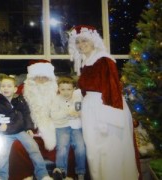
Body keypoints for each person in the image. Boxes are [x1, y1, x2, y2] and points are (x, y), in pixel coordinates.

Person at [68, 25, 139, 180]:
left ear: (93, 41)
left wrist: (107, 120)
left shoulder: (104, 60)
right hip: (91, 111)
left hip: (105, 109)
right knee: (94, 151)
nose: (81, 45)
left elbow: (112, 90)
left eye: (84, 40)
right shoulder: (86, 62)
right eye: (78, 42)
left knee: (109, 150)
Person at [0, 76, 52, 180]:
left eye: (9, 86)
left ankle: (43, 175)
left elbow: (26, 114)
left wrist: (29, 128)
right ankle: (1, 176)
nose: (6, 88)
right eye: (3, 86)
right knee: (2, 154)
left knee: (34, 148)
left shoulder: (20, 100)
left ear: (15, 89)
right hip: (5, 133)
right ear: (0, 88)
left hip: (20, 131)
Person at [8, 60, 58, 179]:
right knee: (17, 147)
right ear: (31, 79)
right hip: (29, 130)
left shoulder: (59, 91)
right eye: (37, 77)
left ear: (50, 79)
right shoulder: (22, 92)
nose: (40, 80)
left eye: (44, 77)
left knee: (69, 147)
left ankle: (63, 174)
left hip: (54, 129)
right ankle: (24, 176)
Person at [50, 76, 86, 180]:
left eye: (69, 89)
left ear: (74, 89)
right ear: (58, 89)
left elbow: (80, 111)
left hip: (76, 127)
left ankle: (81, 173)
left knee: (81, 148)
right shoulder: (56, 100)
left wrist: (78, 113)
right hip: (61, 126)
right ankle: (61, 172)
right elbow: (54, 115)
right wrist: (67, 112)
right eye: (62, 89)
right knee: (62, 147)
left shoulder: (78, 98)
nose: (66, 92)